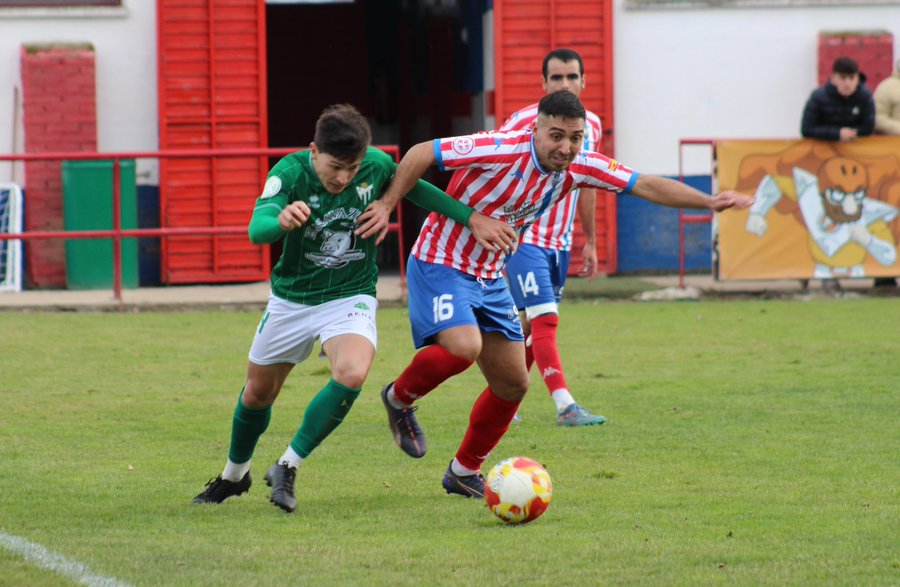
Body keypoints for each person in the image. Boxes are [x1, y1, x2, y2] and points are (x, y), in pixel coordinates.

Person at [356, 91, 754, 498]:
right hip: (442, 261)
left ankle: (462, 471)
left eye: (576, 138)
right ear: (537, 129)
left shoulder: (581, 165)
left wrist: (710, 201)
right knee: (463, 346)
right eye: (557, 136)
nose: (566, 147)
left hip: (491, 275)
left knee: (513, 383)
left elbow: (645, 184)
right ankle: (399, 398)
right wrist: (388, 205)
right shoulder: (499, 147)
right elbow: (423, 152)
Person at [192, 104, 516, 513]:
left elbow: (415, 187)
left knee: (352, 373)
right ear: (314, 151)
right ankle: (234, 475)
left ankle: (287, 465)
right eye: (334, 167)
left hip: (350, 295)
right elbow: (257, 229)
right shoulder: (289, 173)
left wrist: (470, 217)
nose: (343, 177)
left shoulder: (376, 166)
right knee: (258, 394)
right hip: (292, 298)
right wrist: (282, 221)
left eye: (352, 167)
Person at [498, 48, 606, 427]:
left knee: (528, 327)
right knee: (545, 319)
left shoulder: (590, 125)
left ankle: (502, 400)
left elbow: (590, 181)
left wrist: (588, 239)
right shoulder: (522, 121)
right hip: (522, 238)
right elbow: (494, 167)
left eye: (571, 77)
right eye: (556, 78)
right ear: (543, 84)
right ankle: (566, 406)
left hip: (559, 243)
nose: (565, 84)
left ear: (583, 81)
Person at [800, 56, 876, 292]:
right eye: (842, 78)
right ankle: (806, 269)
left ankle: (873, 271)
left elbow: (869, 126)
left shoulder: (864, 97)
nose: (847, 83)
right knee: (819, 217)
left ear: (857, 78)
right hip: (822, 170)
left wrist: (853, 135)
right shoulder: (819, 97)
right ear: (833, 78)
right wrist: (836, 134)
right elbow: (806, 129)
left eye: (851, 78)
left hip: (854, 173)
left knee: (853, 218)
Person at [872, 58, 900, 288]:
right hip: (892, 164)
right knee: (889, 213)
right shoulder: (888, 87)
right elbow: (877, 118)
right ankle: (884, 273)